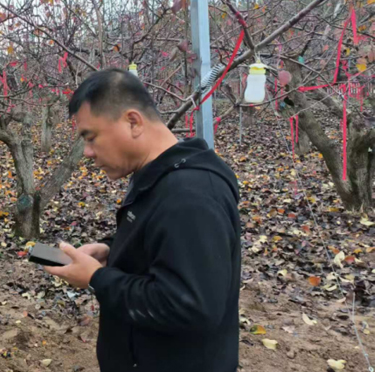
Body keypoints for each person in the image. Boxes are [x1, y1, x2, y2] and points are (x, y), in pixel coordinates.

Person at [44, 69, 241, 372]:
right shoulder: (156, 177)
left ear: (133, 122)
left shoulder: (191, 197)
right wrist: (113, 250)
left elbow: (190, 307)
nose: (87, 152)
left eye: (91, 137)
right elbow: (164, 247)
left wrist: (97, 278)